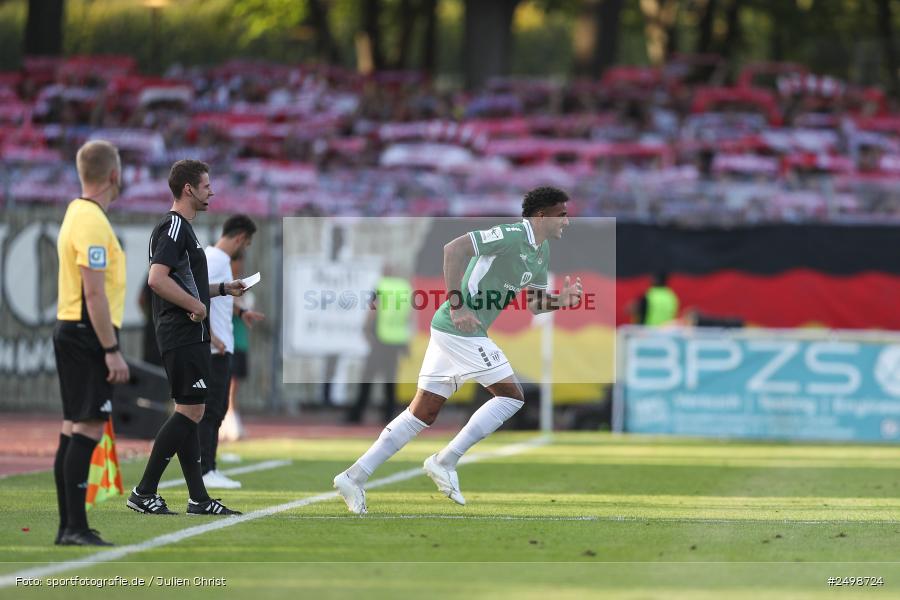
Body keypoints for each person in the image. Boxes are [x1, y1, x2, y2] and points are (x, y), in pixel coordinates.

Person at [333, 187, 582, 514]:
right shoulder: (509, 234)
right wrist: (456, 305)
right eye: (561, 214)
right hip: (459, 328)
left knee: (422, 413)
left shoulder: (541, 252)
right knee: (511, 396)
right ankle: (445, 460)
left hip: (461, 331)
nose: (567, 221)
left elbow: (535, 305)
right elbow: (454, 249)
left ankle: (353, 476)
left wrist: (560, 302)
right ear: (541, 216)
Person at [127, 159, 244, 516]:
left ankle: (198, 498)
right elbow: (156, 279)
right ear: (189, 189)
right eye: (207, 185)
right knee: (191, 411)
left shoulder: (183, 229)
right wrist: (197, 305)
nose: (212, 191)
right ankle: (144, 491)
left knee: (191, 411)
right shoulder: (175, 226)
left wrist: (222, 289)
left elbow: (182, 282)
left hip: (187, 332)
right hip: (181, 333)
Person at [53, 140, 129, 546]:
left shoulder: (77, 213)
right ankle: (75, 527)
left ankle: (70, 526)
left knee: (71, 429)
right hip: (86, 331)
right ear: (113, 175)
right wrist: (111, 349)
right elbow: (94, 292)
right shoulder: (92, 221)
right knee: (87, 428)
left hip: (73, 328)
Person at [201, 215, 264, 489]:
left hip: (219, 345)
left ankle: (208, 468)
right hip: (215, 348)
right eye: (247, 243)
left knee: (216, 409)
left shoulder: (216, 259)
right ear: (240, 238)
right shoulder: (216, 260)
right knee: (212, 410)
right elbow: (196, 295)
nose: (245, 249)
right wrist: (211, 335)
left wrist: (241, 311)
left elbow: (217, 295)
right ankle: (206, 470)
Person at [345, 270, 413, 425]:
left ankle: (357, 413)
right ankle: (388, 414)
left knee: (367, 378)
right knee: (390, 380)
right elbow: (409, 314)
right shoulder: (404, 287)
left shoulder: (382, 286)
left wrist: (366, 328)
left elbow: (373, 309)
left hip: (381, 339)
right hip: (397, 339)